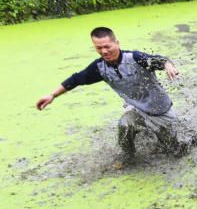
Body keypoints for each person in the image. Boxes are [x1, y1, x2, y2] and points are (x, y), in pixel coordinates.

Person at [36, 27, 186, 164]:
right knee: (125, 124)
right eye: (99, 48)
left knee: (174, 150)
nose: (104, 51)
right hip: (136, 109)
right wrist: (52, 96)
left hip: (161, 111)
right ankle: (129, 158)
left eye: (107, 46)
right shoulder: (99, 68)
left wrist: (168, 65)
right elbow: (76, 79)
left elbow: (158, 59)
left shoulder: (134, 58)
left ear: (117, 43)